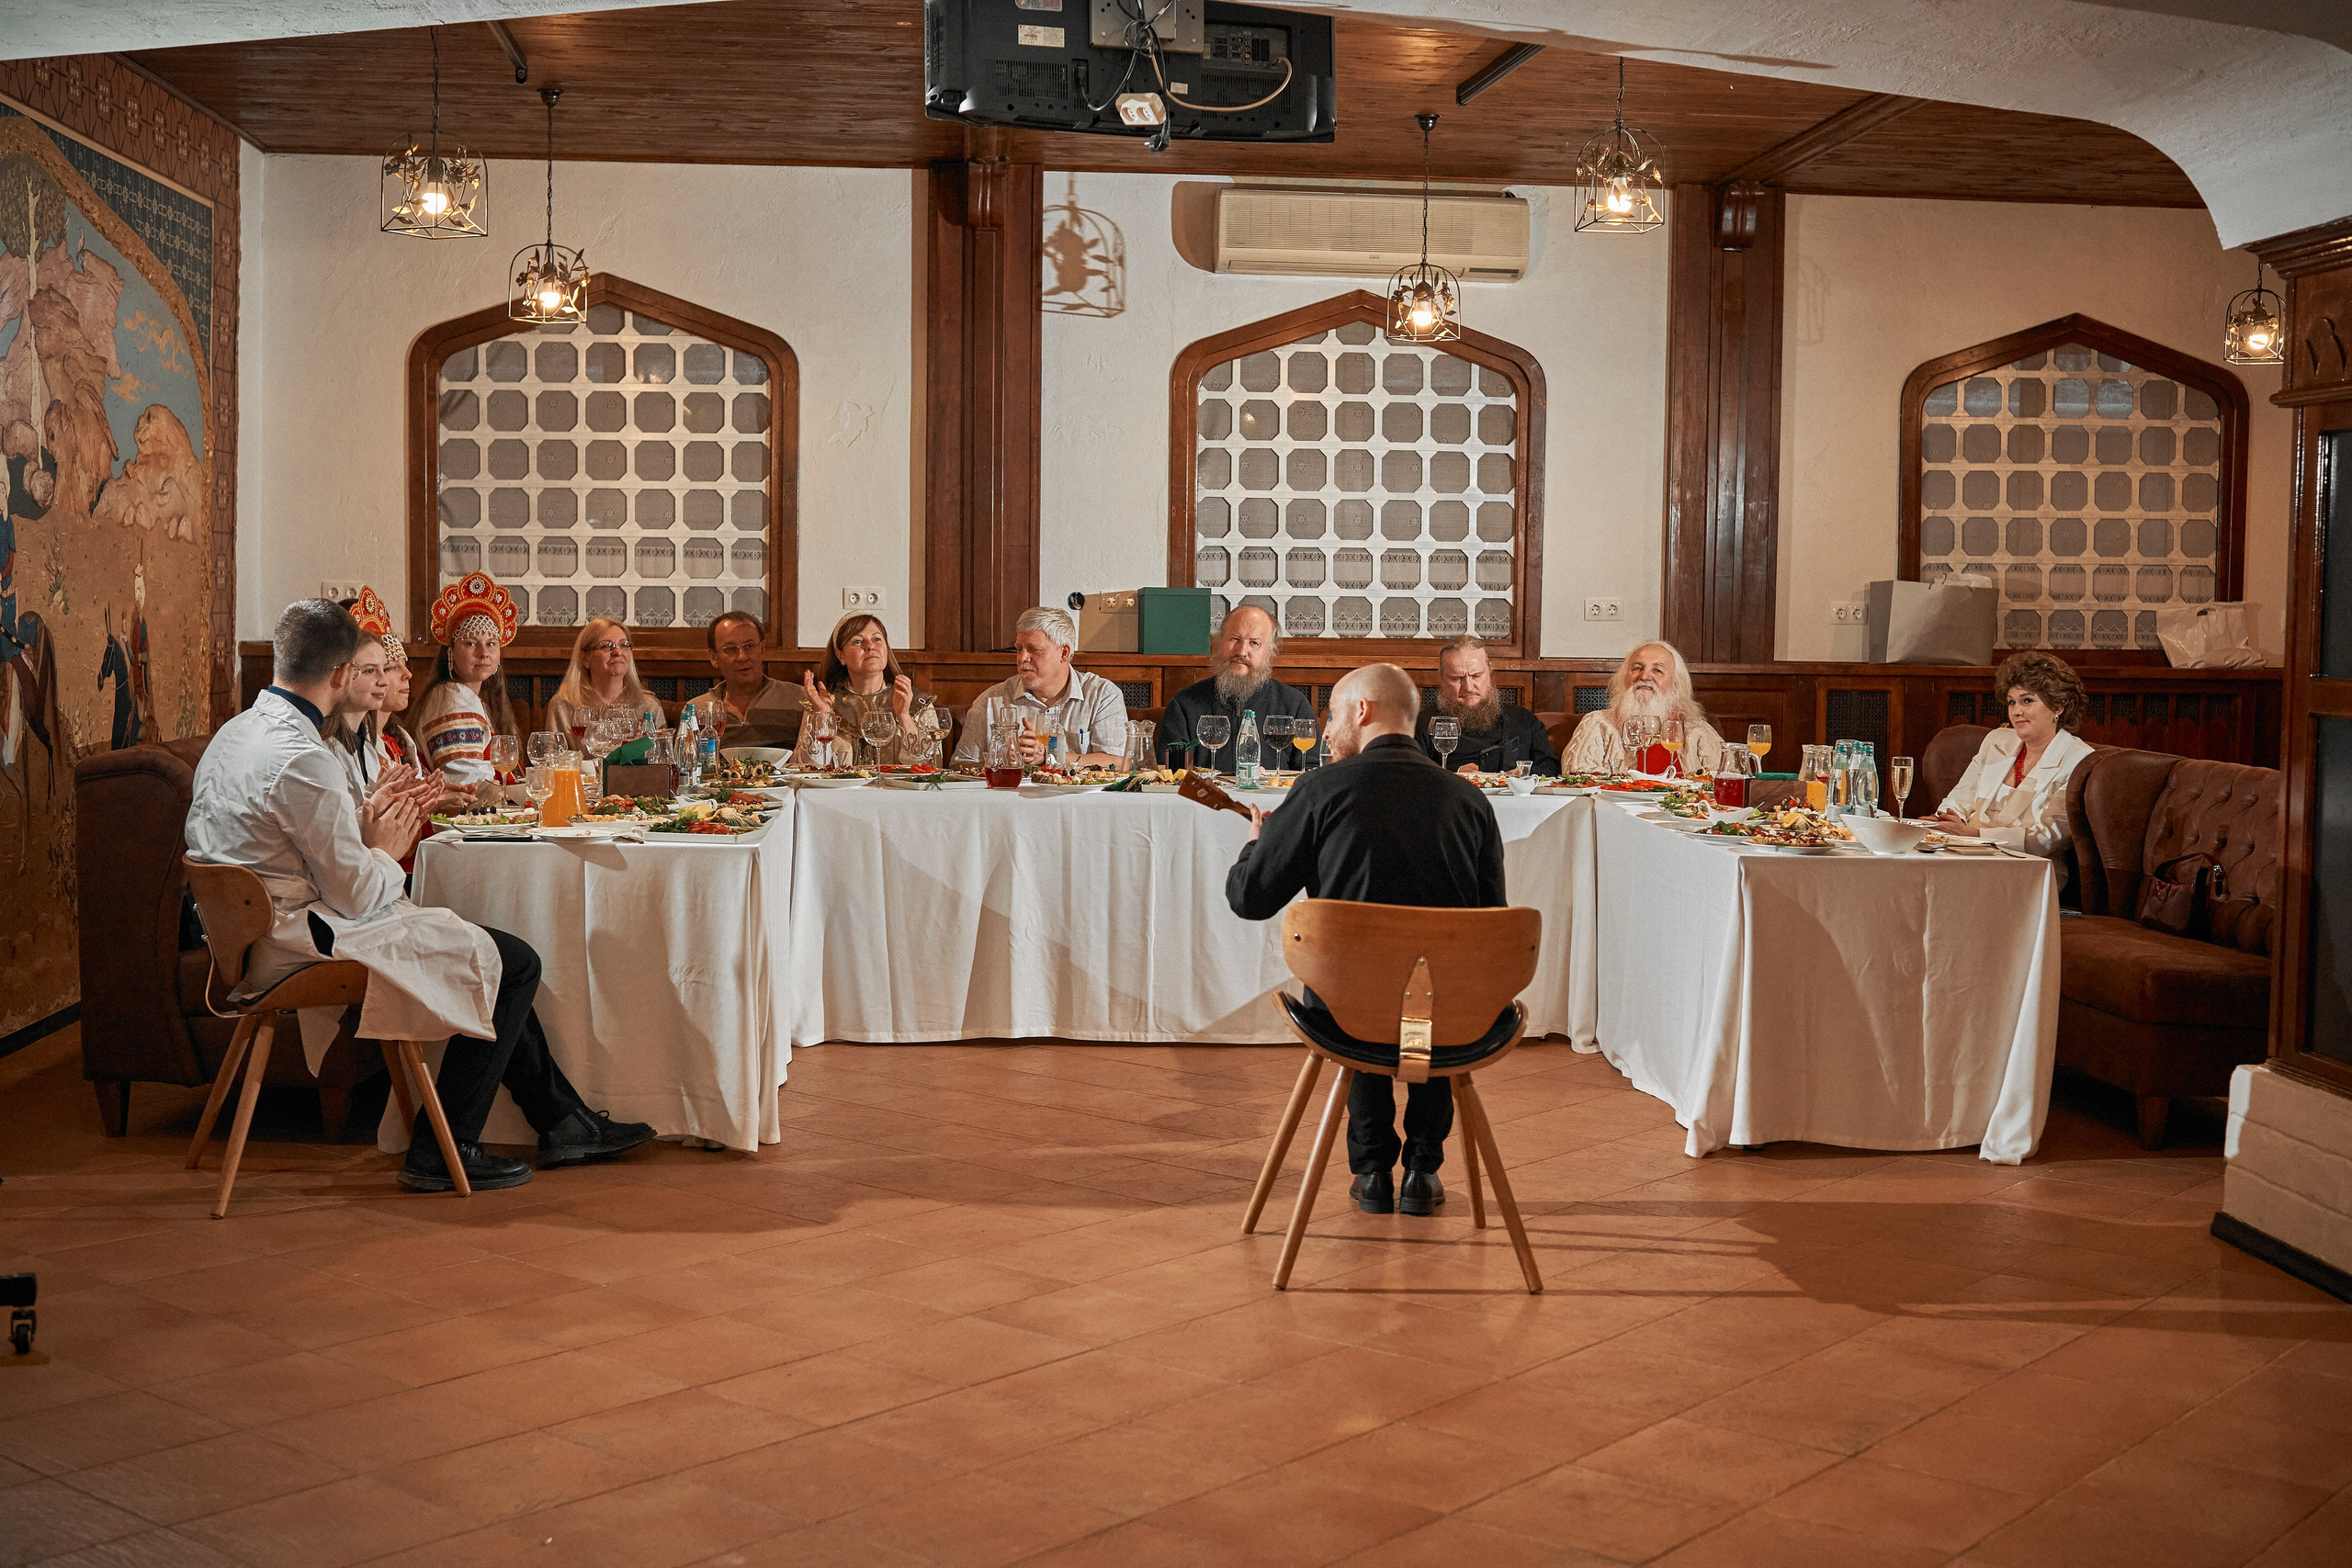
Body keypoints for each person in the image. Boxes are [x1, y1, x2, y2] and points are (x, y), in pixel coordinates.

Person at [186, 601, 656, 1192]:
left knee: (490, 950)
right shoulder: (304, 758)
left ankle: (563, 1121)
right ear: (338, 675)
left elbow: (285, 845)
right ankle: (442, 1150)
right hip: (302, 943)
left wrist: (363, 818)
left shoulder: (235, 734)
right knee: (513, 962)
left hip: (244, 937)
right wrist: (385, 845)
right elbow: (357, 894)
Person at [1227, 663, 1507, 1218]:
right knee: (1429, 988)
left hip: (1345, 1016)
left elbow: (1249, 899)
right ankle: (1424, 1171)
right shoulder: (1470, 801)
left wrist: (1255, 846)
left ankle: (1372, 1170)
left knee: (1353, 985)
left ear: (1362, 711)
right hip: (1451, 1019)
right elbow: (1491, 927)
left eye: (1331, 716)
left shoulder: (1319, 790)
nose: (1325, 731)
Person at [1928, 650, 2096, 876]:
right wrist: (1949, 822)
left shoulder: (2079, 759)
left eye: (2027, 701)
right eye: (2011, 702)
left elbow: (2045, 839)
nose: (2016, 711)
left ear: (2058, 706)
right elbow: (1957, 800)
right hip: (1966, 854)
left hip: (2029, 869)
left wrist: (1972, 834)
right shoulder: (1996, 740)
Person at [952, 606, 1128, 769]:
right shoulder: (991, 701)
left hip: (1079, 801)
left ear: (1064, 653)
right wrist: (1000, 761)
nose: (1022, 658)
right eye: (1019, 649)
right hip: (1012, 801)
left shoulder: (1102, 695)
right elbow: (960, 764)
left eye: (1033, 650)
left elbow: (1117, 762)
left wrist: (1049, 756)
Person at [1158, 604, 1317, 773]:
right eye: (1234, 639)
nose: (1242, 651)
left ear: (1270, 652)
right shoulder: (1184, 704)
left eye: (1254, 643)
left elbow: (1311, 772)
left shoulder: (1294, 704)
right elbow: (1169, 773)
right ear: (1219, 643)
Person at [413, 571, 522, 796]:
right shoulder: (452, 696)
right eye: (471, 643)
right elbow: (467, 785)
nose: (483, 653)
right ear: (451, 652)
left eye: (491, 644)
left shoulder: (473, 697)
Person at [792, 612, 933, 767]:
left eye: (877, 639)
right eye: (857, 641)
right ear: (840, 656)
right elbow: (807, 766)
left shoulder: (916, 702)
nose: (870, 646)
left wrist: (904, 716)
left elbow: (928, 766)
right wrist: (823, 716)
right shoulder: (823, 702)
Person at [1563, 640, 1726, 774]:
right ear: (1623, 678)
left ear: (1676, 684)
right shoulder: (1597, 723)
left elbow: (1726, 777)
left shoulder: (1698, 730)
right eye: (1637, 668)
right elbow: (1576, 774)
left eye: (1657, 670)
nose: (1645, 676)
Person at [1417, 636, 1559, 776]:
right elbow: (1412, 774)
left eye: (1476, 676)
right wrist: (1455, 773)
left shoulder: (1524, 720)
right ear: (1441, 677)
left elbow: (1550, 768)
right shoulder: (1423, 724)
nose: (1469, 687)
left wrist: (1523, 774)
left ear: (1489, 671)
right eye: (1456, 678)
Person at [683, 610, 807, 750]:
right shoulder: (697, 709)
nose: (742, 657)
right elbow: (686, 763)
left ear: (762, 649)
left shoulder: (799, 699)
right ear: (714, 657)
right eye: (730, 649)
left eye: (749, 646)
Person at [545, 617, 665, 741]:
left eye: (624, 645)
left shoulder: (649, 707)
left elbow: (661, 757)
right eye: (607, 646)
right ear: (585, 658)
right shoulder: (563, 706)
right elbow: (553, 756)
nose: (618, 652)